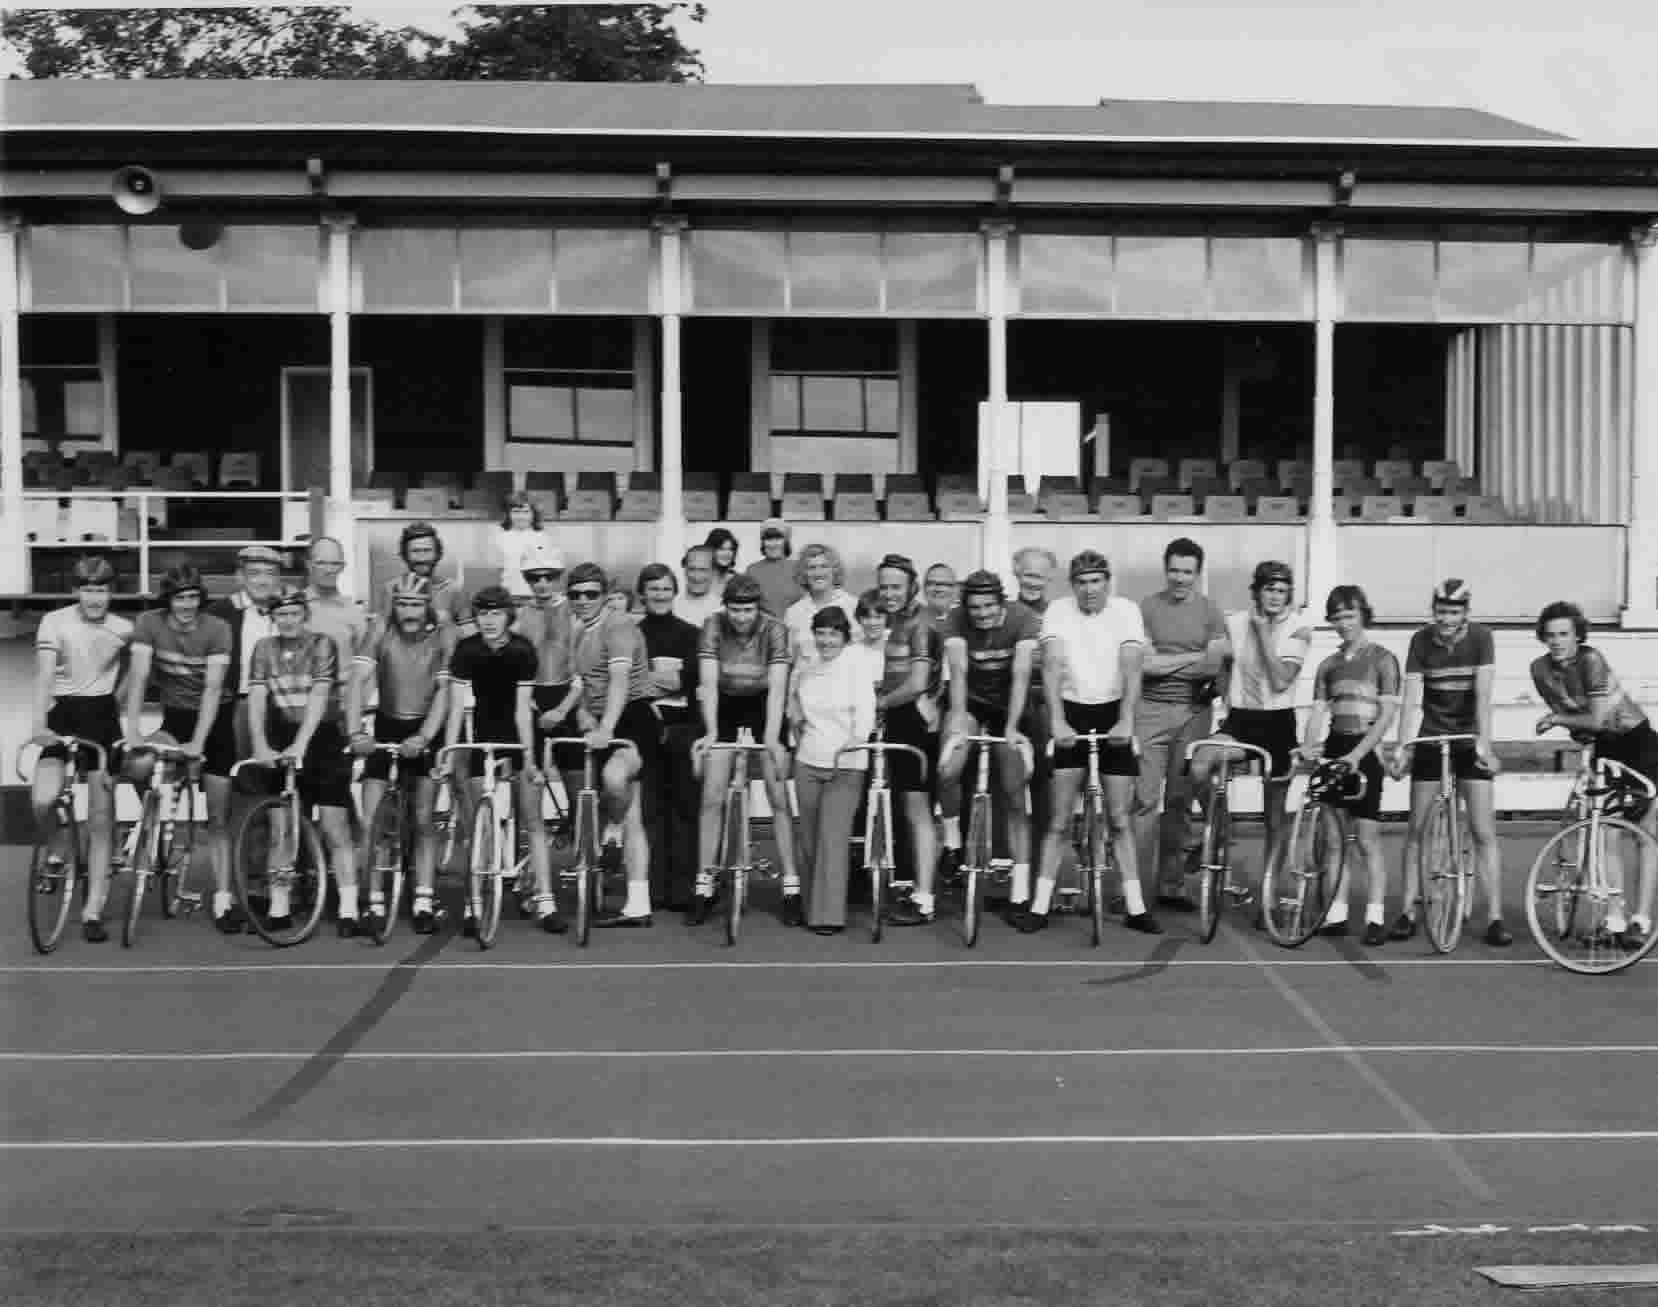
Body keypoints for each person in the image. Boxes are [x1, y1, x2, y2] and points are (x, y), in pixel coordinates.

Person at [1020, 550, 1162, 935]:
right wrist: (1057, 720)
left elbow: (1132, 666)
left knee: (1119, 818)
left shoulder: (1126, 610)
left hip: (1113, 710)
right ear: (1072, 585)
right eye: (1081, 582)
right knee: (1059, 819)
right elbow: (1052, 665)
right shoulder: (1058, 611)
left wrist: (1126, 719)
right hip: (1072, 711)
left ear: (1107, 582)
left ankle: (1135, 907)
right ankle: (1039, 905)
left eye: (1096, 581)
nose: (1089, 589)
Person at [1529, 601, 1657, 948]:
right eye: (1551, 635)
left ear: (1578, 636)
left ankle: (1641, 920)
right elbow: (1575, 716)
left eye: (1564, 634)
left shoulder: (1591, 660)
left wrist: (1557, 720)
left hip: (1635, 740)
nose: (1557, 641)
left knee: (1644, 831)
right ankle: (1614, 919)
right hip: (1603, 744)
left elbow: (1596, 718)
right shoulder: (1539, 669)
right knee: (1607, 832)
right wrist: (1572, 727)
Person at [444, 584, 566, 935]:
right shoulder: (467, 649)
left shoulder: (521, 650)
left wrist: (528, 757)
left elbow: (522, 711)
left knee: (533, 818)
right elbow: (456, 707)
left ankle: (546, 901)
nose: (489, 620)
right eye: (483, 614)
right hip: (481, 736)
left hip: (517, 734)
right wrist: (448, 752)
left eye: (496, 613)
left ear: (508, 616)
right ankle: (473, 904)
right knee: (477, 824)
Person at [125, 564, 241, 933]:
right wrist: (132, 729)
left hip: (216, 721)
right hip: (174, 718)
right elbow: (139, 677)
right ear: (168, 600)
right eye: (180, 598)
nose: (187, 605)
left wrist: (199, 743)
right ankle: (152, 819)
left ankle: (223, 899)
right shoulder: (149, 623)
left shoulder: (217, 628)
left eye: (193, 597)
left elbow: (212, 689)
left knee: (219, 816)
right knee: (138, 765)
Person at [1191, 561, 1313, 900]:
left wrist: (1261, 633)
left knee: (1274, 817)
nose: (1275, 597)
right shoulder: (1234, 623)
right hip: (1241, 720)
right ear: (1256, 591)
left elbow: (1281, 680)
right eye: (1269, 589)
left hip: (1278, 722)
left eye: (1282, 591)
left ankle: (1269, 895)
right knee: (1199, 764)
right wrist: (1223, 691)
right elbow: (1221, 666)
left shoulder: (1299, 628)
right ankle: (1219, 829)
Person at [1390, 578, 1503, 944]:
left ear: (1466, 612)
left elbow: (1483, 696)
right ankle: (1407, 911)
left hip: (1468, 737)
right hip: (1432, 735)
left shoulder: (1482, 638)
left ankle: (1495, 917)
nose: (1446, 619)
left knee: (1483, 830)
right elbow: (1411, 699)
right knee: (1417, 828)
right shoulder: (1420, 640)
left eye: (1454, 612)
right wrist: (1402, 746)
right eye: (1441, 611)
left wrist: (1485, 746)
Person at [246, 585, 362, 936]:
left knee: (334, 826)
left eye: (294, 613)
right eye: (281, 614)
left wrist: (302, 744)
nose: (288, 620)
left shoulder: (322, 643)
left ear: (305, 615)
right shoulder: (263, 648)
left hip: (323, 735)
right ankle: (279, 905)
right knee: (281, 827)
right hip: (281, 732)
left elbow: (320, 695)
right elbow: (257, 697)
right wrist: (260, 744)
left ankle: (349, 908)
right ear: (272, 617)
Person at [31, 556, 132, 943]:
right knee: (43, 800)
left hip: (102, 719)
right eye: (88, 590)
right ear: (76, 591)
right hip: (62, 714)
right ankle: (56, 849)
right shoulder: (54, 621)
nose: (94, 597)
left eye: (101, 590)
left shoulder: (124, 628)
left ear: (111, 592)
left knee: (100, 820)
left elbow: (139, 667)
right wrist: (39, 725)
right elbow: (44, 674)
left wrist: (117, 702)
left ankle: (93, 910)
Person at [551, 562, 658, 928]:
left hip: (632, 715)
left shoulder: (619, 626)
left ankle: (612, 831)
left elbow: (618, 681)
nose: (582, 600)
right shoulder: (579, 630)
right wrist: (580, 713)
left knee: (615, 780)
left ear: (604, 595)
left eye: (591, 594)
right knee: (626, 812)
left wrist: (607, 728)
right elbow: (582, 682)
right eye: (575, 594)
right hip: (599, 718)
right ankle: (637, 903)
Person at [348, 574, 453, 935]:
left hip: (425, 727)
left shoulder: (442, 635)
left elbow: (444, 692)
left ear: (428, 607)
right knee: (372, 821)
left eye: (416, 604)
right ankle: (374, 901)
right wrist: (355, 731)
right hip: (387, 725)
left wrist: (425, 736)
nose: (409, 611)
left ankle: (423, 900)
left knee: (423, 818)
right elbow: (357, 680)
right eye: (403, 603)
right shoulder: (380, 628)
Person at [693, 574, 800, 925]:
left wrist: (771, 738)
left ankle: (791, 885)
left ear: (758, 608)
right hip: (725, 704)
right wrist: (711, 731)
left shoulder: (775, 629)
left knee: (777, 794)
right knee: (712, 795)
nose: (741, 617)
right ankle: (705, 883)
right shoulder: (713, 625)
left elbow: (778, 690)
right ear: (726, 607)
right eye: (735, 610)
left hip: (763, 704)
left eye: (748, 610)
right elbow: (708, 684)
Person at [1303, 585, 1401, 945]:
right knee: (1333, 841)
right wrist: (1308, 746)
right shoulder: (1328, 665)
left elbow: (1386, 715)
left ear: (1363, 616)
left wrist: (1359, 755)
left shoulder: (1383, 659)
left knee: (1367, 840)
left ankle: (1375, 917)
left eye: (1350, 616)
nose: (1344, 623)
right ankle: (1336, 914)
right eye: (1337, 617)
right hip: (1335, 750)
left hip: (1365, 753)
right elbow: (1317, 712)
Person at [939, 570, 1039, 915]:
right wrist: (957, 722)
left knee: (1014, 794)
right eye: (974, 608)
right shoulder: (955, 619)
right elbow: (958, 671)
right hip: (971, 701)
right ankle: (952, 843)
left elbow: (1021, 674)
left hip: (1009, 703)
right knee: (948, 768)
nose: (981, 614)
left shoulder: (1023, 618)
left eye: (988, 606)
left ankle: (1020, 891)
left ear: (1002, 602)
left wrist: (1011, 727)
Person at [1136, 538, 1228, 911]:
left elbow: (1212, 666)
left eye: (1187, 572)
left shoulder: (1211, 612)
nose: (1179, 578)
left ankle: (1170, 886)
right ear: (1165, 569)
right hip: (1149, 710)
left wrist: (1166, 662)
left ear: (1197, 574)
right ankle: (1136, 891)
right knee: (1144, 800)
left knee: (1179, 799)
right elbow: (1145, 665)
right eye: (1174, 570)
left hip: (1193, 712)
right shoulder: (1146, 608)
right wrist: (1193, 656)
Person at [789, 607, 877, 934]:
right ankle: (809, 907)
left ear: (845, 637)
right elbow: (794, 707)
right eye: (821, 633)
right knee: (809, 837)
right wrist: (795, 726)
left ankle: (828, 916)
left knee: (833, 837)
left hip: (846, 764)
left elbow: (866, 712)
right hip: (808, 760)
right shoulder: (807, 667)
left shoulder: (857, 666)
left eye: (833, 634)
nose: (826, 640)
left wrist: (856, 741)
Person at [872, 554, 944, 927]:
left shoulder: (922, 623)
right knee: (907, 807)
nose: (888, 593)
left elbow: (916, 683)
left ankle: (925, 899)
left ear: (912, 586)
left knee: (918, 810)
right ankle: (912, 886)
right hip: (899, 718)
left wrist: (880, 703)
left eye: (896, 587)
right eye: (883, 586)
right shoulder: (896, 620)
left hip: (914, 721)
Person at [635, 563, 701, 911]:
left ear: (674, 592)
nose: (659, 595)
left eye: (665, 588)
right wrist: (665, 678)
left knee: (684, 808)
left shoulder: (691, 634)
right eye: (653, 589)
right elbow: (630, 681)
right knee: (650, 809)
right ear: (642, 594)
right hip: (645, 730)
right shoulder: (632, 634)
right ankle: (654, 889)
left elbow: (687, 681)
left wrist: (649, 677)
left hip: (685, 729)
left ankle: (683, 889)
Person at [207, 543, 283, 758]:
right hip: (239, 705)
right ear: (240, 577)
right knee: (241, 767)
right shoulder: (219, 613)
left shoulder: (288, 611)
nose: (262, 580)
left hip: (281, 705)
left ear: (278, 579)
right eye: (254, 573)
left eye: (270, 574)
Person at [378, 521, 474, 633]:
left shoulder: (454, 590)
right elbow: (380, 633)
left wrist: (445, 624)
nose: (422, 558)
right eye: (415, 551)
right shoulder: (390, 589)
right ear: (405, 555)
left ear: (438, 554)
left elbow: (470, 634)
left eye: (427, 550)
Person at [303, 535, 371, 672]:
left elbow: (366, 666)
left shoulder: (354, 612)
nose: (328, 570)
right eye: (321, 563)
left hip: (344, 685)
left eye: (335, 563)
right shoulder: (292, 608)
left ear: (342, 567)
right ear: (309, 565)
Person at [783, 543, 857, 666]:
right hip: (804, 677)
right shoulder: (793, 613)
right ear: (803, 574)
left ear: (834, 571)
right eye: (812, 568)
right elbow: (788, 660)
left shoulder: (853, 606)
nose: (818, 573)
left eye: (824, 566)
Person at [496, 493, 556, 602]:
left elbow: (548, 569)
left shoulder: (543, 537)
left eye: (526, 512)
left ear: (534, 514)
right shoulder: (501, 537)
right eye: (516, 512)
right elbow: (500, 568)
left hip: (534, 594)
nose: (521, 516)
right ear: (508, 514)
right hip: (509, 593)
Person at [746, 518, 798, 617]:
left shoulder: (798, 568)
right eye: (768, 539)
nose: (773, 544)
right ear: (763, 542)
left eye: (778, 539)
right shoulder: (752, 570)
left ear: (786, 542)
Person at [677, 545, 723, 628]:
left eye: (703, 570)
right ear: (684, 570)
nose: (697, 576)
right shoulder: (671, 605)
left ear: (714, 572)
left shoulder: (722, 609)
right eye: (692, 569)